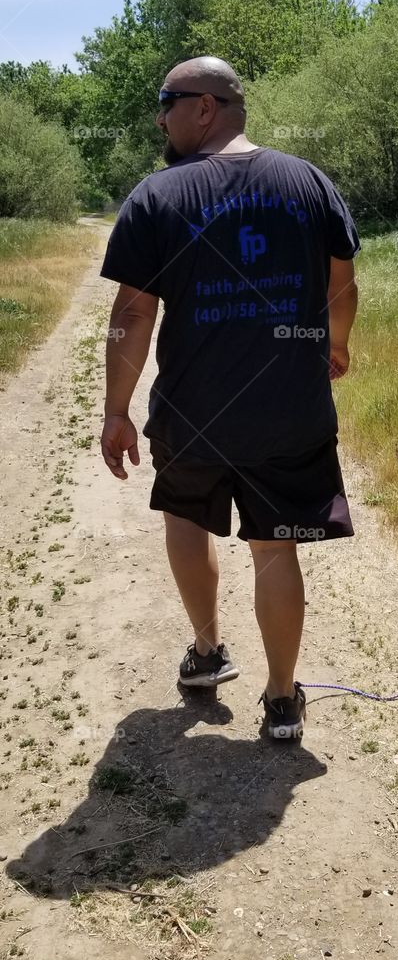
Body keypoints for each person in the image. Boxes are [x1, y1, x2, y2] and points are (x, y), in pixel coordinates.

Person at [99, 55, 359, 740]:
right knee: (277, 548)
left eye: (167, 101)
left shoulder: (157, 196)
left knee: (187, 519)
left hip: (192, 413)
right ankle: (280, 701)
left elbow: (133, 313)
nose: (160, 115)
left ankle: (208, 655)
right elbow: (343, 280)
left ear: (205, 107)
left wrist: (117, 409)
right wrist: (335, 343)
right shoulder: (307, 183)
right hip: (289, 412)